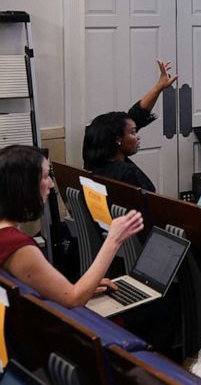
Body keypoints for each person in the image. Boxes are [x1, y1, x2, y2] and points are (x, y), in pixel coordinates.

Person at [0, 145, 144, 307]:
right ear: (25, 185)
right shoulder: (16, 245)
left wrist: (84, 285)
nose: (51, 184)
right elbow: (73, 299)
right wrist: (114, 240)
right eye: (46, 176)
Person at [82, 60, 178, 192]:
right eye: (133, 132)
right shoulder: (128, 174)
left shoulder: (93, 164)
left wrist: (159, 87)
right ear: (117, 139)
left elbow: (134, 117)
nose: (138, 137)